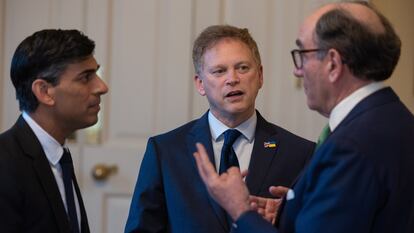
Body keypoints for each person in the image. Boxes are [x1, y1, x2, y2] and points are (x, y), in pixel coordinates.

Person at [193, 1, 414, 233]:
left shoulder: (351, 145)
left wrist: (241, 211)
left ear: (333, 63)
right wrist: (297, 210)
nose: (297, 71)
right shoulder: (397, 119)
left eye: (303, 55)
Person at [124, 25, 315, 233]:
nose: (232, 79)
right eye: (219, 71)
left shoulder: (300, 153)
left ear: (260, 76)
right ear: (200, 84)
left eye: (242, 68)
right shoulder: (165, 150)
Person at [0, 29, 108, 233]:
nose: (102, 87)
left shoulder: (58, 157)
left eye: (96, 73)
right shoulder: (5, 164)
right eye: (86, 78)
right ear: (44, 91)